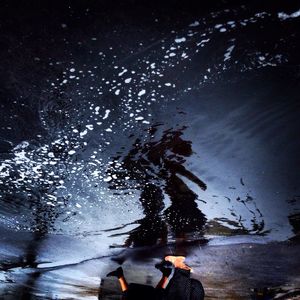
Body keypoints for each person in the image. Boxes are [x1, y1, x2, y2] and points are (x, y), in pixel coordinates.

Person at [106, 256, 205, 300]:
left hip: (193, 290)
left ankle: (168, 274)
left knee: (158, 297)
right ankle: (180, 266)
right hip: (190, 291)